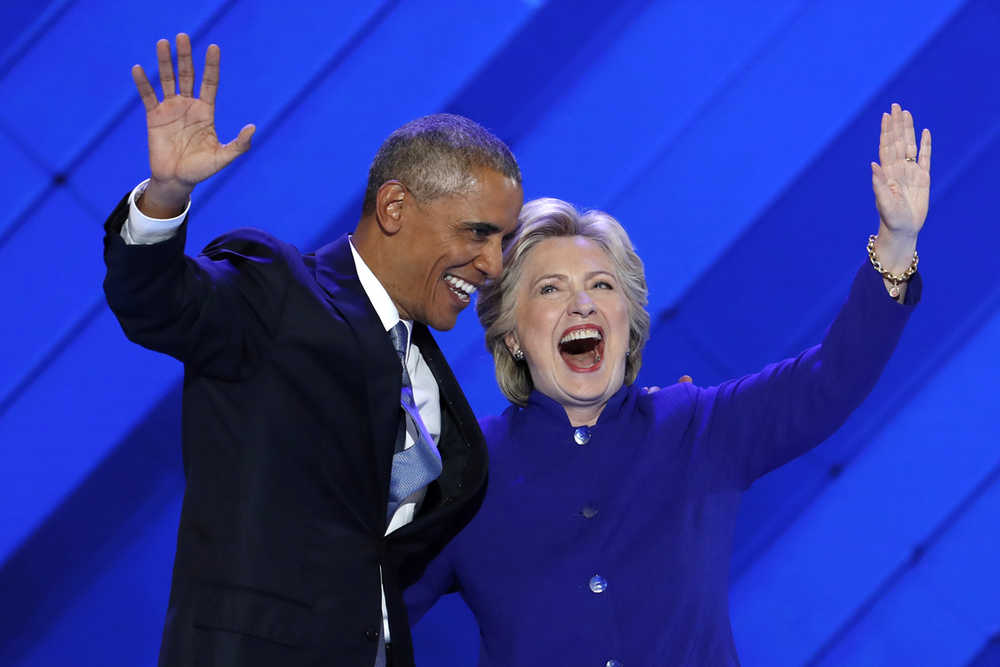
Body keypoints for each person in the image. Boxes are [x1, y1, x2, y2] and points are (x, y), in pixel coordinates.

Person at [404, 103, 930, 666]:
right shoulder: (464, 473)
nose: (582, 302)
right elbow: (364, 613)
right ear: (511, 335)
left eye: (601, 285)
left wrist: (896, 242)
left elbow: (832, 379)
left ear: (627, 324)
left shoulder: (697, 428)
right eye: (551, 289)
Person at [101, 34, 522, 667]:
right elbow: (156, 301)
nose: (492, 264)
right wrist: (165, 197)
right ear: (395, 207)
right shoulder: (277, 290)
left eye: (504, 241)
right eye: (478, 234)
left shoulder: (427, 373)